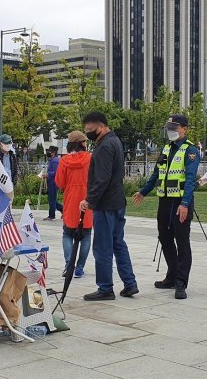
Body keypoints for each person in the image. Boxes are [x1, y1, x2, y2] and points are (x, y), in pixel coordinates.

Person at [133, 115, 201, 299]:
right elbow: (156, 174)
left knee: (182, 241)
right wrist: (143, 191)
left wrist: (185, 204)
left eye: (175, 126)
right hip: (165, 202)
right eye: (169, 126)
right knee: (165, 239)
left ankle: (181, 282)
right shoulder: (166, 148)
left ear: (185, 129)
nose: (171, 129)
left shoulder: (191, 151)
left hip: (180, 202)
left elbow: (190, 180)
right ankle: (171, 275)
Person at [80, 111, 138, 301]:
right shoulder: (115, 141)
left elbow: (101, 179)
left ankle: (105, 287)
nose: (89, 134)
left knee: (103, 247)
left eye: (90, 130)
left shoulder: (105, 145)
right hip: (117, 201)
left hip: (106, 204)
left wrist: (89, 199)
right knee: (118, 243)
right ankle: (130, 283)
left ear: (101, 126)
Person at [55, 131, 93, 279]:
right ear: (82, 143)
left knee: (67, 234)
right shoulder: (90, 158)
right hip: (87, 200)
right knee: (86, 235)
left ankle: (68, 265)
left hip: (71, 201)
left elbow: (59, 182)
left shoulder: (64, 161)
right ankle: (79, 267)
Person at [0, 134, 18, 200]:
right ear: (1, 144)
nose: (8, 145)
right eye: (6, 143)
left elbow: (15, 170)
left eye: (9, 143)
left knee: (9, 205)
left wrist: (14, 182)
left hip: (9, 184)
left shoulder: (12, 155)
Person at [44, 146, 63, 220]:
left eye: (50, 151)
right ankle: (63, 210)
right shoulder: (51, 160)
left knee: (52, 199)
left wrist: (48, 174)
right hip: (50, 182)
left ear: (53, 152)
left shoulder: (55, 161)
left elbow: (56, 172)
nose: (48, 152)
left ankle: (52, 215)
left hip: (53, 182)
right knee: (52, 199)